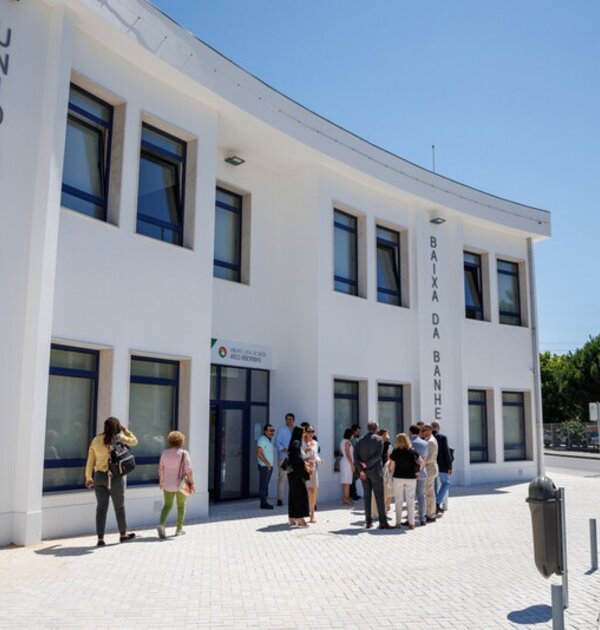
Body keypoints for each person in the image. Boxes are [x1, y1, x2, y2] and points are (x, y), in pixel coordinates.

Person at [85, 416, 138, 547]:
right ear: (117, 427)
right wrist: (126, 431)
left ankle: (100, 538)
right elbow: (135, 441)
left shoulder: (96, 440)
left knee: (101, 507)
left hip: (99, 476)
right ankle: (123, 535)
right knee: (119, 506)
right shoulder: (119, 438)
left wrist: (88, 477)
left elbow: (90, 460)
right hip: (115, 477)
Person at [157, 430, 195, 538]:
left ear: (170, 441)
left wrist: (161, 482)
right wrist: (191, 483)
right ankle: (179, 529)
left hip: (167, 484)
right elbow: (189, 471)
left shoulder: (164, 453)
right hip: (181, 485)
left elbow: (161, 469)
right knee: (181, 506)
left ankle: (161, 524)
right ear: (181, 441)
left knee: (167, 505)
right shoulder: (184, 453)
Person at [355, 421, 391, 529]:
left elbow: (355, 458)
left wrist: (361, 470)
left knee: (367, 497)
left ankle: (368, 522)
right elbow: (378, 456)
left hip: (364, 473)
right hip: (375, 472)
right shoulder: (379, 440)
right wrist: (367, 464)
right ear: (376, 428)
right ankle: (382, 522)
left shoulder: (360, 440)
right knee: (379, 497)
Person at [387, 433, 421, 529]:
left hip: (398, 477)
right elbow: (421, 462)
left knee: (398, 500)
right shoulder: (412, 451)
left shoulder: (395, 452)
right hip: (411, 478)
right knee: (410, 500)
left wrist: (390, 470)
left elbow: (391, 466)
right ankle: (411, 523)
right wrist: (417, 472)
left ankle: (398, 523)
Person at [287, 426, 310, 527]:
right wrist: (305, 465)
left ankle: (292, 517)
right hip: (297, 473)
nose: (304, 434)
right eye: (303, 432)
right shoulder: (296, 443)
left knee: (293, 495)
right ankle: (300, 518)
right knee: (301, 494)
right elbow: (297, 458)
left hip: (292, 473)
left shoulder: (293, 442)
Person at [408, 424, 428, 526]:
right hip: (421, 471)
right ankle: (422, 518)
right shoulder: (425, 443)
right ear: (419, 432)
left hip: (409, 473)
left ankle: (410, 519)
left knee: (410, 496)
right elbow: (425, 458)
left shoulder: (408, 442)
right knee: (421, 496)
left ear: (410, 432)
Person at [432, 420, 453, 514]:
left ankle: (435, 505)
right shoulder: (442, 437)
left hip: (431, 465)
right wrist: (450, 466)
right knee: (446, 483)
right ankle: (437, 502)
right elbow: (446, 453)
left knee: (434, 486)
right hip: (442, 465)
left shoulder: (428, 437)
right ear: (438, 428)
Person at [274, 413, 295, 506]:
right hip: (284, 458)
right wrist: (284, 449)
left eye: (291, 419)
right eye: (287, 419)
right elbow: (277, 443)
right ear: (285, 420)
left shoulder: (296, 430)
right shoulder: (281, 430)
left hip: (294, 459)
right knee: (282, 478)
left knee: (293, 479)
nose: (289, 421)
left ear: (293, 420)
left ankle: (293, 499)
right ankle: (280, 499)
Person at [303, 425, 322, 523]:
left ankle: (312, 514)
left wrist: (319, 460)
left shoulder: (315, 443)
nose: (311, 433)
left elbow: (316, 455)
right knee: (307, 491)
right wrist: (305, 453)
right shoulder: (302, 442)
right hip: (304, 469)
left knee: (313, 491)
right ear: (305, 432)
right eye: (309, 431)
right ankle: (305, 512)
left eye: (312, 431)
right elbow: (300, 455)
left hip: (313, 469)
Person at [421, 424, 439, 522]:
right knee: (428, 492)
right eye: (422, 430)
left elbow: (430, 458)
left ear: (429, 430)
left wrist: (420, 460)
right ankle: (429, 513)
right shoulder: (428, 440)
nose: (422, 432)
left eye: (424, 430)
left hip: (430, 469)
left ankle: (431, 514)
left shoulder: (431, 441)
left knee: (429, 492)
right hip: (429, 468)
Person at [256, 424, 275, 509]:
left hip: (268, 467)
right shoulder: (262, 439)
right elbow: (258, 452)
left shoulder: (268, 440)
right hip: (264, 466)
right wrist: (267, 463)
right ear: (265, 431)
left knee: (265, 485)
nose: (272, 432)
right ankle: (263, 503)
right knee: (263, 485)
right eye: (270, 430)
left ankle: (264, 502)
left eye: (273, 430)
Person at [339, 428, 355, 505]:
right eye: (352, 434)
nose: (353, 436)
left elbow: (341, 452)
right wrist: (352, 465)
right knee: (347, 482)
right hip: (347, 462)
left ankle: (345, 498)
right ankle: (346, 499)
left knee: (345, 481)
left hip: (344, 461)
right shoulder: (347, 442)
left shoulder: (342, 441)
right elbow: (348, 454)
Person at [349, 424, 361, 500]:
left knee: (354, 478)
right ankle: (353, 494)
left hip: (355, 460)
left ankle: (354, 493)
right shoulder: (352, 440)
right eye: (357, 431)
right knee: (352, 478)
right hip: (353, 461)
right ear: (354, 431)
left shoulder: (355, 439)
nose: (358, 432)